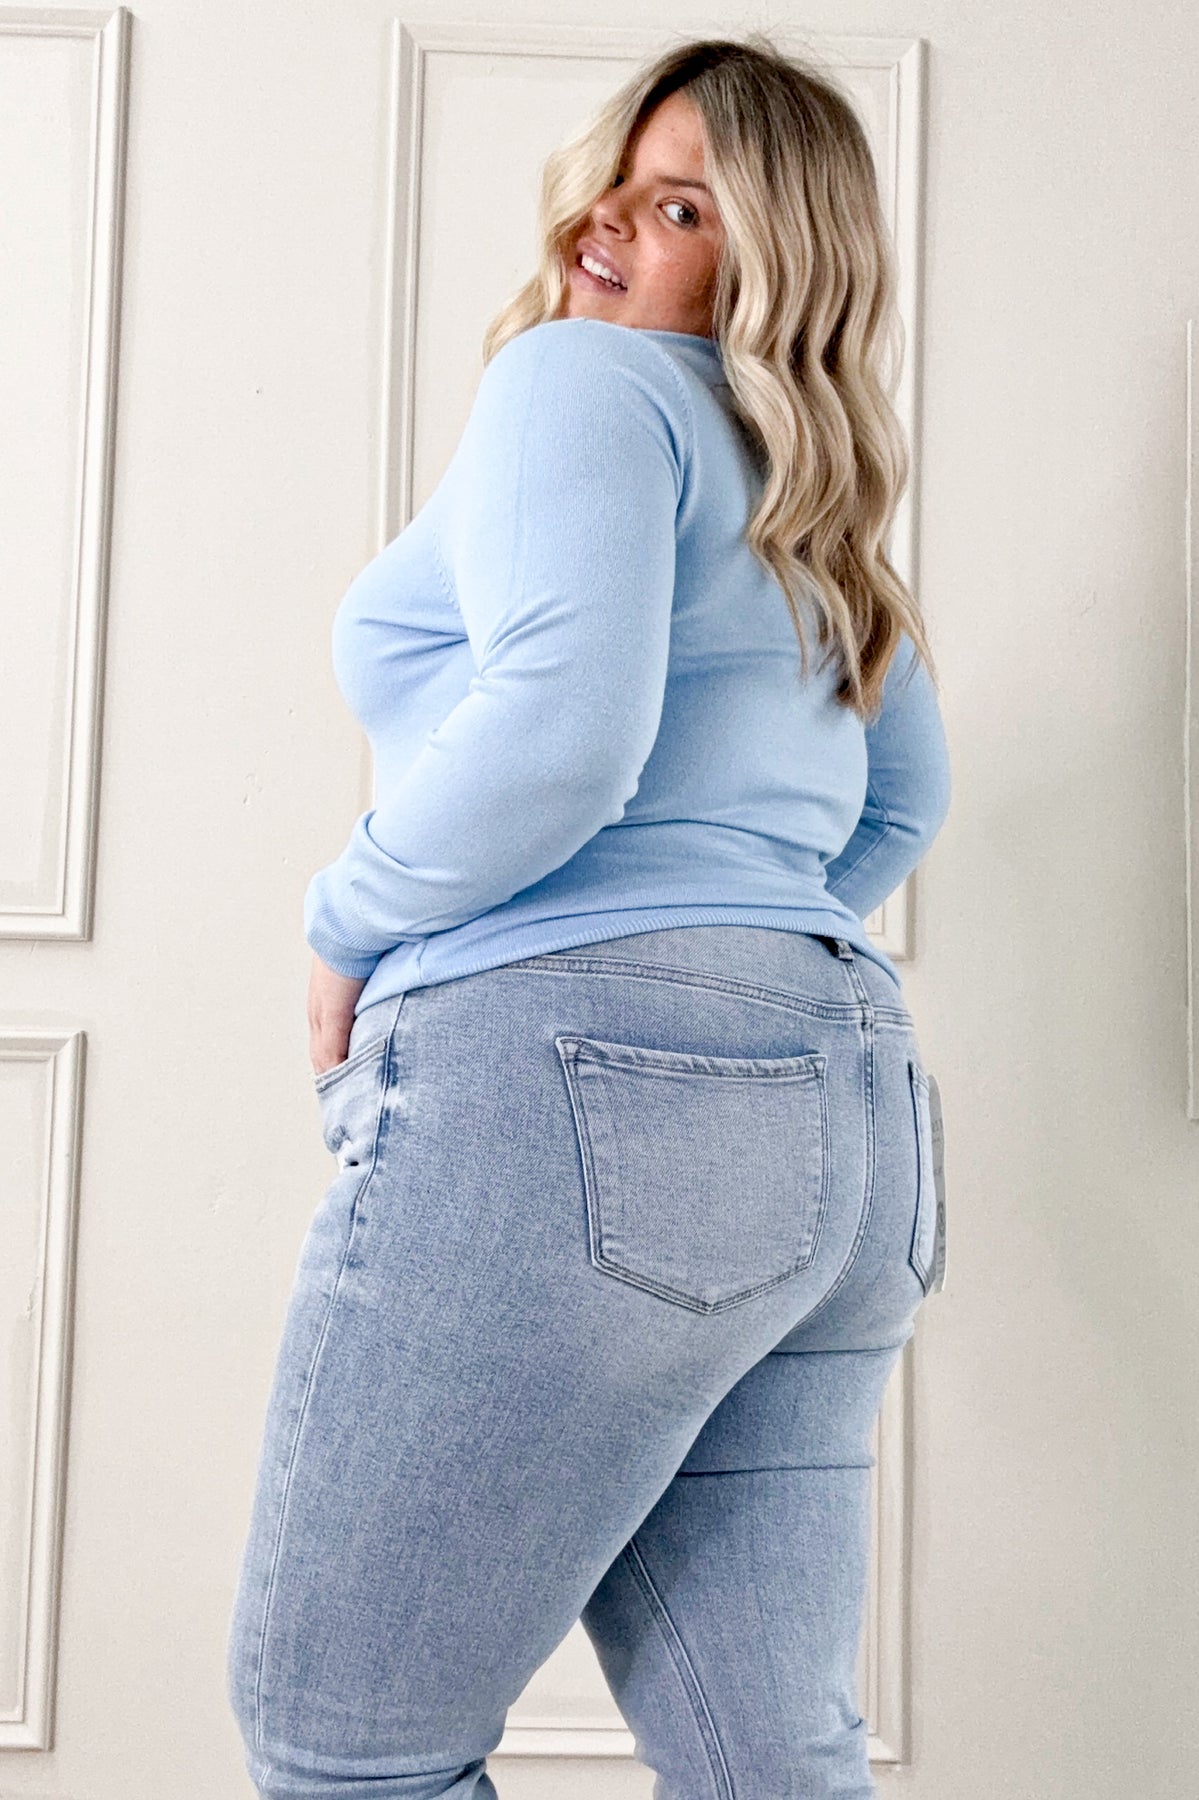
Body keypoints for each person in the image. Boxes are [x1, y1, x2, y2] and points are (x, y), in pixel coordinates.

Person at [225, 31, 951, 1800]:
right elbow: (900, 803)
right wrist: (731, 972)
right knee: (768, 1755)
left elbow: (561, 733)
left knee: (347, 1744)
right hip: (854, 1120)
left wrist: (346, 915)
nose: (605, 230)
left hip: (580, 1087)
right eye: (611, 188)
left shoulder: (580, 386)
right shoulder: (821, 499)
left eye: (681, 207)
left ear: (777, 262)